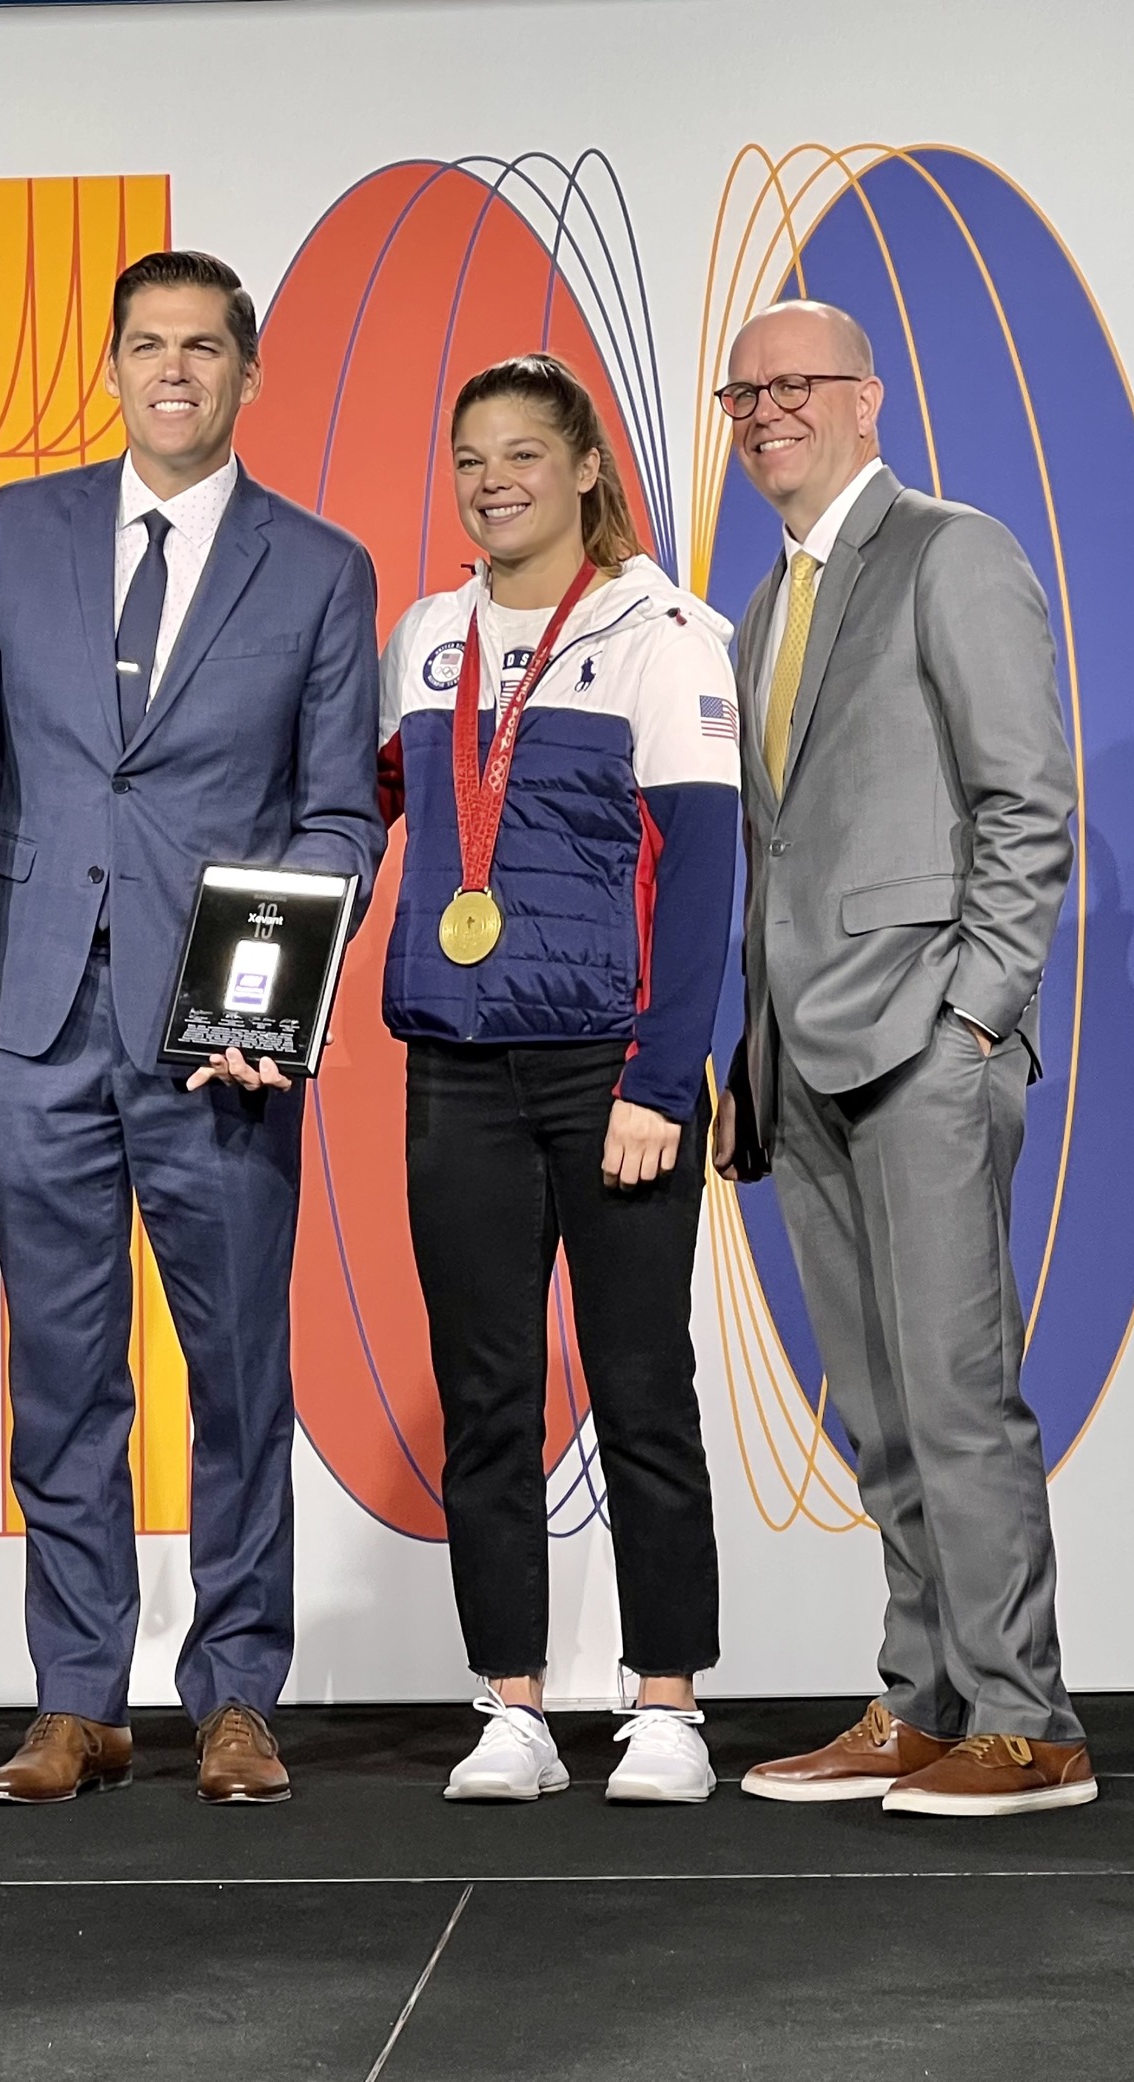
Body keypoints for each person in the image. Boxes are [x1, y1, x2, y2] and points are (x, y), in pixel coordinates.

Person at [0, 250, 384, 1806]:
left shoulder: (324, 569)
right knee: (62, 1374)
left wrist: (264, 998)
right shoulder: (16, 532)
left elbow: (339, 814)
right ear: (114, 367)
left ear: (247, 374)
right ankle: (78, 1699)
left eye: (205, 348)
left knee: (236, 1373)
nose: (176, 372)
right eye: (148, 346)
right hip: (41, 1022)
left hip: (221, 1048)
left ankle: (235, 1694)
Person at [713, 300, 1093, 1816]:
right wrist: (747, 1047)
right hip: (801, 1060)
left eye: (795, 384)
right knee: (877, 1404)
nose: (766, 409)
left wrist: (978, 1015)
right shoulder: (763, 603)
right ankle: (924, 1694)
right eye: (744, 390)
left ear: (869, 399)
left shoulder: (956, 549)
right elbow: (778, 847)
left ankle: (1027, 1716)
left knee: (955, 1389)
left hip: (925, 1039)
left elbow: (1028, 801)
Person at [377, 355, 740, 1804]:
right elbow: (386, 807)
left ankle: (667, 1702)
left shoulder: (665, 634)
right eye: (470, 456)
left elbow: (707, 875)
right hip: (458, 1070)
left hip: (613, 1072)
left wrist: (662, 1079)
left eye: (523, 452)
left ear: (587, 467)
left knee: (646, 1387)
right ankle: (512, 1704)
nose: (492, 480)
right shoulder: (427, 635)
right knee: (488, 1397)